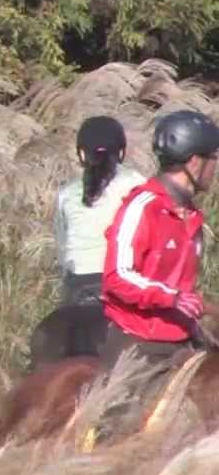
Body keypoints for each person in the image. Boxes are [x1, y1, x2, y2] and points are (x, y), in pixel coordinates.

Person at [100, 109, 219, 369]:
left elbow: (181, 286)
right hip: (138, 342)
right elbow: (117, 276)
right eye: (214, 158)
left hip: (182, 336)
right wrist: (171, 298)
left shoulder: (192, 215)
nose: (215, 167)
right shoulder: (142, 207)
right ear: (195, 162)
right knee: (122, 411)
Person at [53, 116, 146, 306]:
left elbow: (62, 251)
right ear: (121, 152)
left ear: (81, 154)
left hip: (77, 284)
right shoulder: (137, 183)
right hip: (122, 279)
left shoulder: (66, 193)